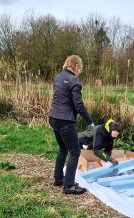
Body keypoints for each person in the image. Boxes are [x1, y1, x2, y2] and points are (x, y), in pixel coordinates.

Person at [49, 55, 93, 195]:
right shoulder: (75, 81)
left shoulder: (58, 77)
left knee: (63, 148)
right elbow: (79, 105)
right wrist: (89, 121)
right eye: (80, 68)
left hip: (53, 117)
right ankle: (68, 186)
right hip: (65, 121)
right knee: (75, 152)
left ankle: (58, 178)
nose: (80, 71)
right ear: (75, 66)